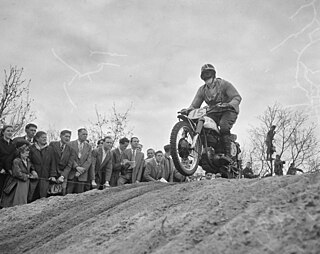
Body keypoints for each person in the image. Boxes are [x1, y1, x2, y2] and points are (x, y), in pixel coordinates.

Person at [181, 64, 242, 160]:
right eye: (204, 75)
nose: (206, 77)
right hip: (213, 111)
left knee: (224, 125)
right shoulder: (202, 90)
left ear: (213, 74)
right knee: (203, 123)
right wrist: (188, 110)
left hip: (228, 110)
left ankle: (228, 155)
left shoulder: (224, 84)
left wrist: (229, 104)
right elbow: (195, 105)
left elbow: (237, 97)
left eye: (208, 74)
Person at [0, 141, 38, 208]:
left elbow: (31, 167)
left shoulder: (28, 160)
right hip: (18, 183)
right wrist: (27, 176)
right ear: (21, 153)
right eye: (25, 153)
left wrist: (33, 172)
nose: (27, 155)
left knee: (24, 198)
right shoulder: (17, 161)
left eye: (28, 153)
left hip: (26, 183)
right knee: (17, 199)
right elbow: (17, 173)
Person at [48, 130, 75, 195]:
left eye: (69, 137)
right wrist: (52, 175)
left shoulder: (71, 149)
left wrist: (62, 176)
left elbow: (69, 165)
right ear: (60, 136)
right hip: (51, 173)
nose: (67, 138)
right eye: (66, 136)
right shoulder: (53, 144)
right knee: (49, 193)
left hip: (63, 175)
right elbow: (50, 160)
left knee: (62, 193)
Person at [28, 131, 52, 202]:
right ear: (37, 139)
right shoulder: (31, 148)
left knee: (43, 197)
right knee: (32, 195)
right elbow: (29, 161)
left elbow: (53, 163)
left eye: (45, 137)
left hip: (45, 176)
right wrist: (32, 170)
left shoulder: (50, 149)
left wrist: (52, 175)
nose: (45, 139)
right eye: (42, 137)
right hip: (34, 176)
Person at [68, 128, 92, 194]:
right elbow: (69, 158)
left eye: (86, 134)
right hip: (71, 174)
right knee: (68, 195)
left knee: (79, 196)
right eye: (83, 134)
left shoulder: (89, 146)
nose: (85, 136)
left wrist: (81, 171)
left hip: (82, 175)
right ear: (78, 134)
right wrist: (76, 167)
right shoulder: (70, 144)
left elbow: (89, 160)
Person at [0, 125, 16, 195]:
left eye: (12, 131)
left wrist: (11, 170)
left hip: (8, 172)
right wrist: (0, 169)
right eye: (8, 131)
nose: (10, 133)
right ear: (3, 132)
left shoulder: (13, 144)